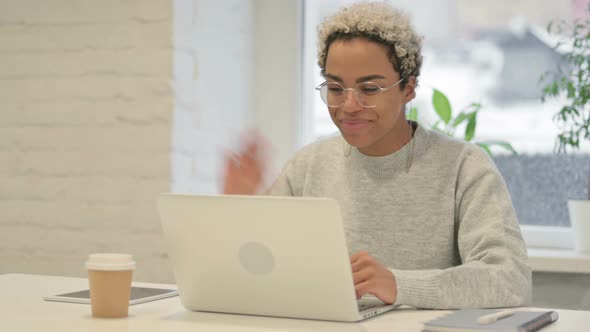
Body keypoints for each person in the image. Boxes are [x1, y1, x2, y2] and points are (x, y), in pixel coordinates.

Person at [223, 1, 531, 309]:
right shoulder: (308, 166)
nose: (349, 105)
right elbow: (261, 271)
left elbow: (509, 280)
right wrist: (239, 213)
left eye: (369, 89)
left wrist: (398, 285)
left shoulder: (464, 167)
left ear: (408, 88)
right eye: (335, 88)